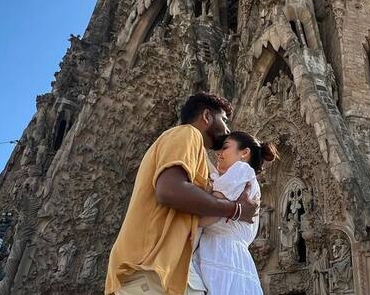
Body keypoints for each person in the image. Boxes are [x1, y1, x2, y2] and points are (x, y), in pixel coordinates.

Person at [105, 93, 259, 295]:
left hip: (168, 271)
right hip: (150, 266)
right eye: (224, 120)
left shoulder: (198, 155)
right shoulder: (187, 134)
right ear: (206, 116)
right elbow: (170, 190)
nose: (227, 129)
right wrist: (235, 209)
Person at [194, 131, 278, 295]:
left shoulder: (241, 170)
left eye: (225, 148)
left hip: (221, 254)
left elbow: (205, 217)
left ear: (245, 153)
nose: (219, 154)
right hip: (231, 255)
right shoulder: (237, 177)